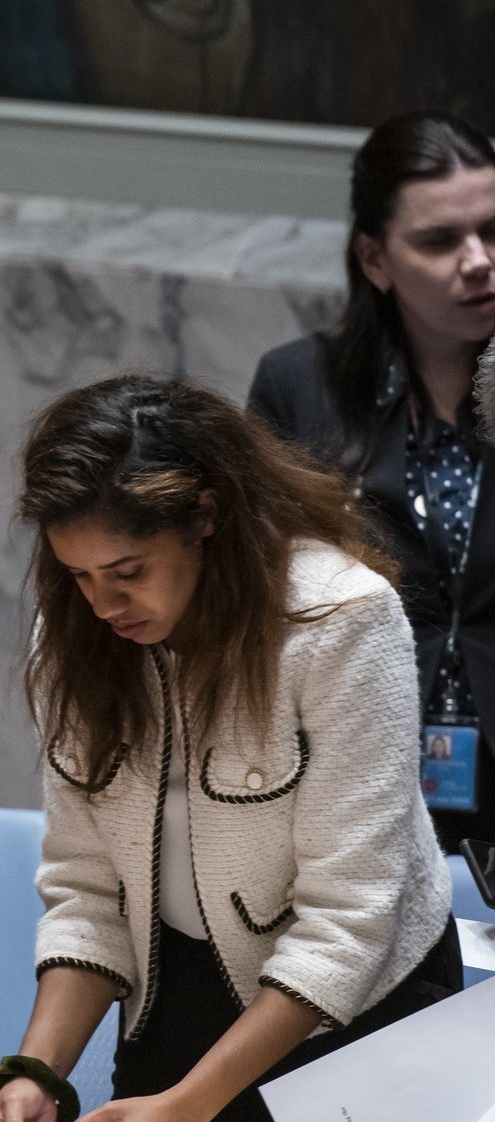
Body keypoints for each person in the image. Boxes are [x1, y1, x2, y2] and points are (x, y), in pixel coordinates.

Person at [0, 375, 459, 1122]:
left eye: (128, 572)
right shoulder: (79, 634)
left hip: (354, 1018)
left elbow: (348, 922)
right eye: (78, 575)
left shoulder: (342, 622)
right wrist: (34, 1076)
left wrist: (189, 1104)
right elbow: (86, 890)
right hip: (174, 994)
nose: (103, 605)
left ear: (205, 516)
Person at [247, 112, 495, 850]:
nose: (479, 259)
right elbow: (264, 589)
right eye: (440, 241)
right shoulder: (300, 385)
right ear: (375, 258)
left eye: (492, 229)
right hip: (361, 763)